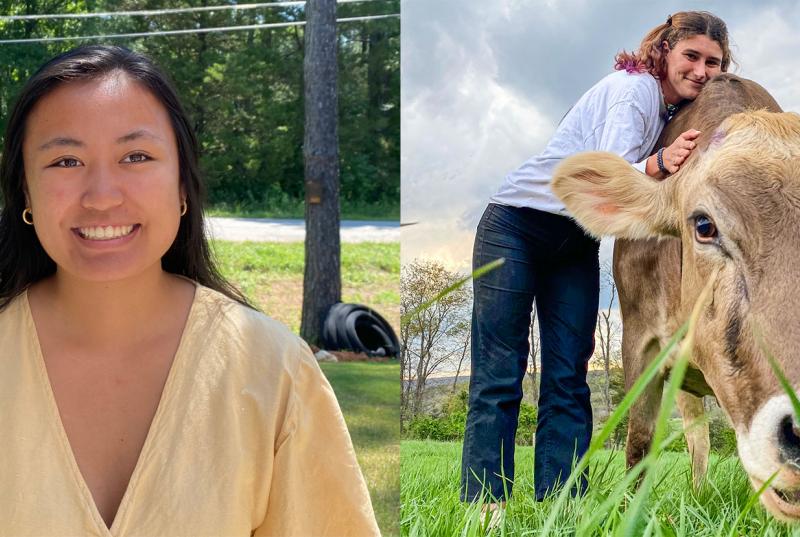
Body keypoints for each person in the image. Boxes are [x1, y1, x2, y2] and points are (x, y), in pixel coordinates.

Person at [0, 45, 379, 536]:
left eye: (136, 156)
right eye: (66, 161)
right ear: (25, 192)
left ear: (183, 185)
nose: (102, 196)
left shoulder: (273, 369)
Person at [460, 10, 732, 515]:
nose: (701, 70)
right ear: (665, 52)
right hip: (516, 226)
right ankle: (485, 507)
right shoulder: (635, 90)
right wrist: (657, 164)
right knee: (500, 374)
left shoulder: (670, 114)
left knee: (568, 375)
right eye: (691, 56)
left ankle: (559, 506)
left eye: (713, 62)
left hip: (575, 241)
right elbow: (612, 173)